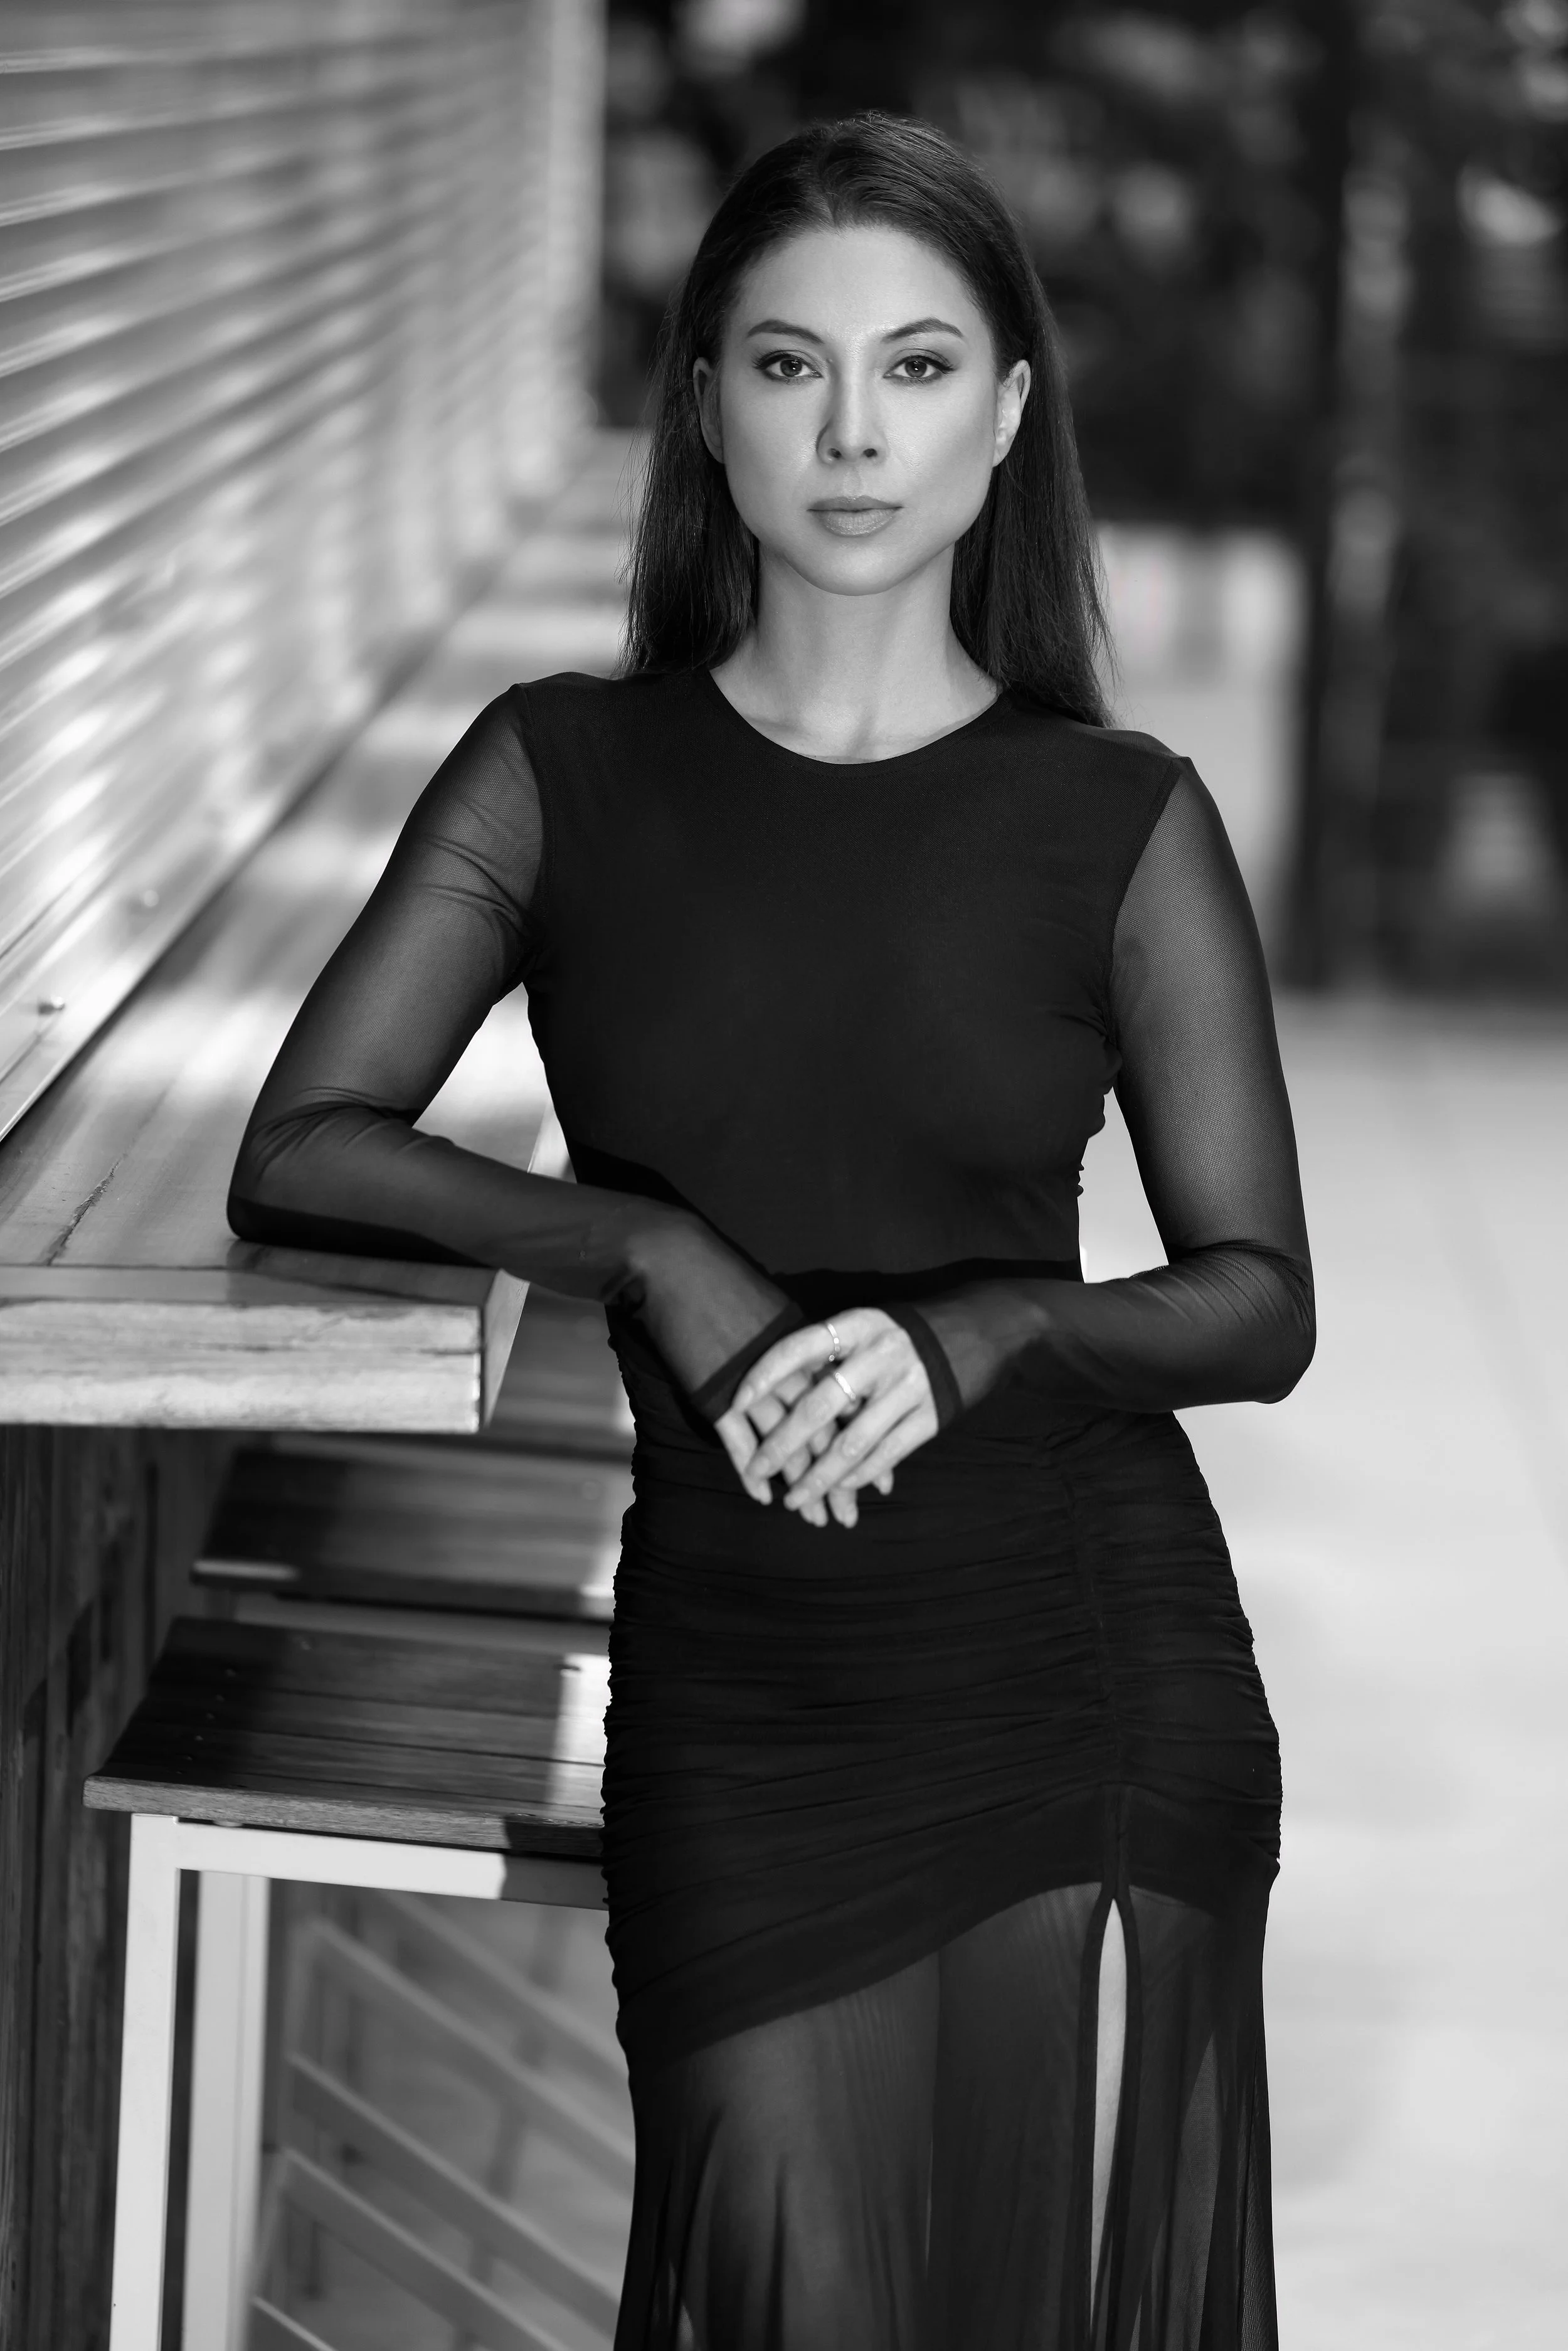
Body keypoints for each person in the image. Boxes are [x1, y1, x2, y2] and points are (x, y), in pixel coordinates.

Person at [230, 112, 1313, 2351]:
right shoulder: (559, 774)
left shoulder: (1115, 821)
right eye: (789, 365)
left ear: (1007, 417)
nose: (851, 431)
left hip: (1078, 1665)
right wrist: (645, 1249)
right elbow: (309, 1140)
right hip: (748, 1690)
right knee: (784, 2282)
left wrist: (982, 1335)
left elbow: (1257, 1303)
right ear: (704, 406)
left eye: (917, 368)